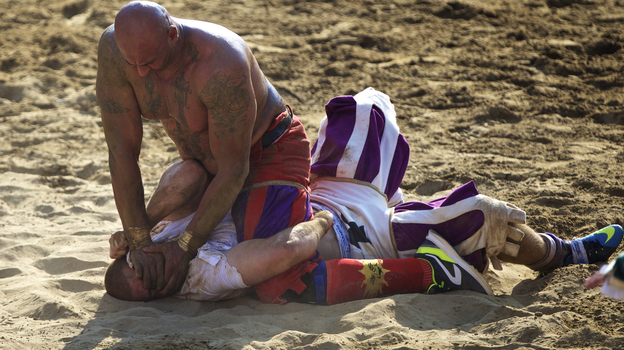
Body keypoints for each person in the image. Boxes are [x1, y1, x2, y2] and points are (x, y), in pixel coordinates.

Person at [105, 88, 624, 304]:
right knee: (478, 220)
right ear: (161, 294)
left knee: (358, 113)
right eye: (151, 283)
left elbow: (192, 172)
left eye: (142, 262)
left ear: (136, 249)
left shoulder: (157, 234)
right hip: (362, 232)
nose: (155, 270)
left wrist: (145, 221)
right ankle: (564, 251)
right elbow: (287, 250)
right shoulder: (198, 276)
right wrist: (322, 224)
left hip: (318, 185)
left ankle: (556, 250)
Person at [96, 1, 314, 299]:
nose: (141, 73)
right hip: (205, 167)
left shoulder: (221, 62)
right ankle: (146, 226)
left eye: (149, 61)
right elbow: (121, 151)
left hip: (268, 152)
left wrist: (185, 247)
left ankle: (328, 216)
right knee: (183, 182)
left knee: (275, 277)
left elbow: (234, 169)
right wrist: (138, 239)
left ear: (172, 35)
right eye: (132, 63)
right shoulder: (113, 52)